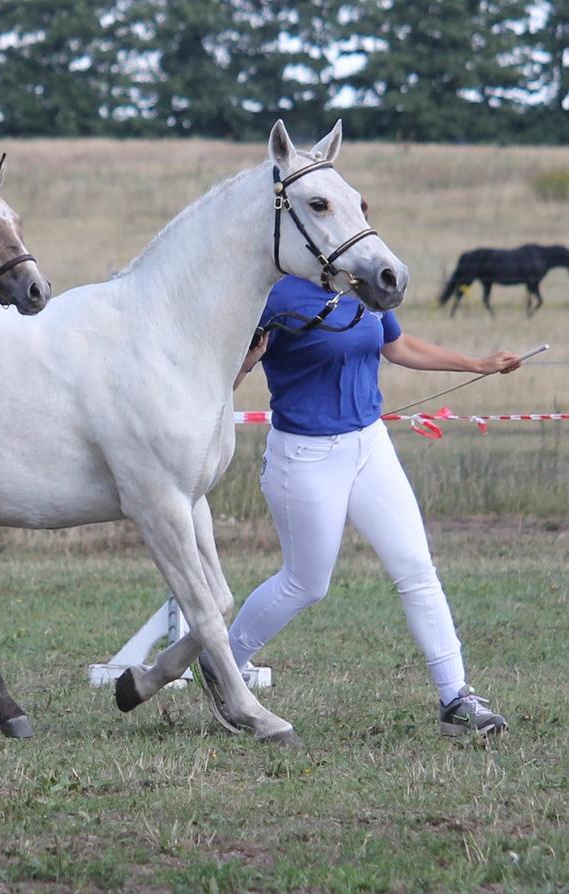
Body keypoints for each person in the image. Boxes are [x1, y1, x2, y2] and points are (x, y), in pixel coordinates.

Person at [198, 274, 522, 738]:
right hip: (304, 455)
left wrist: (477, 365)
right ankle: (223, 660)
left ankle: (456, 699)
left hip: (370, 444)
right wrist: (248, 360)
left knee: (416, 568)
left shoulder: (365, 286)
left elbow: (398, 345)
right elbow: (224, 381)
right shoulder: (275, 295)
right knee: (306, 584)